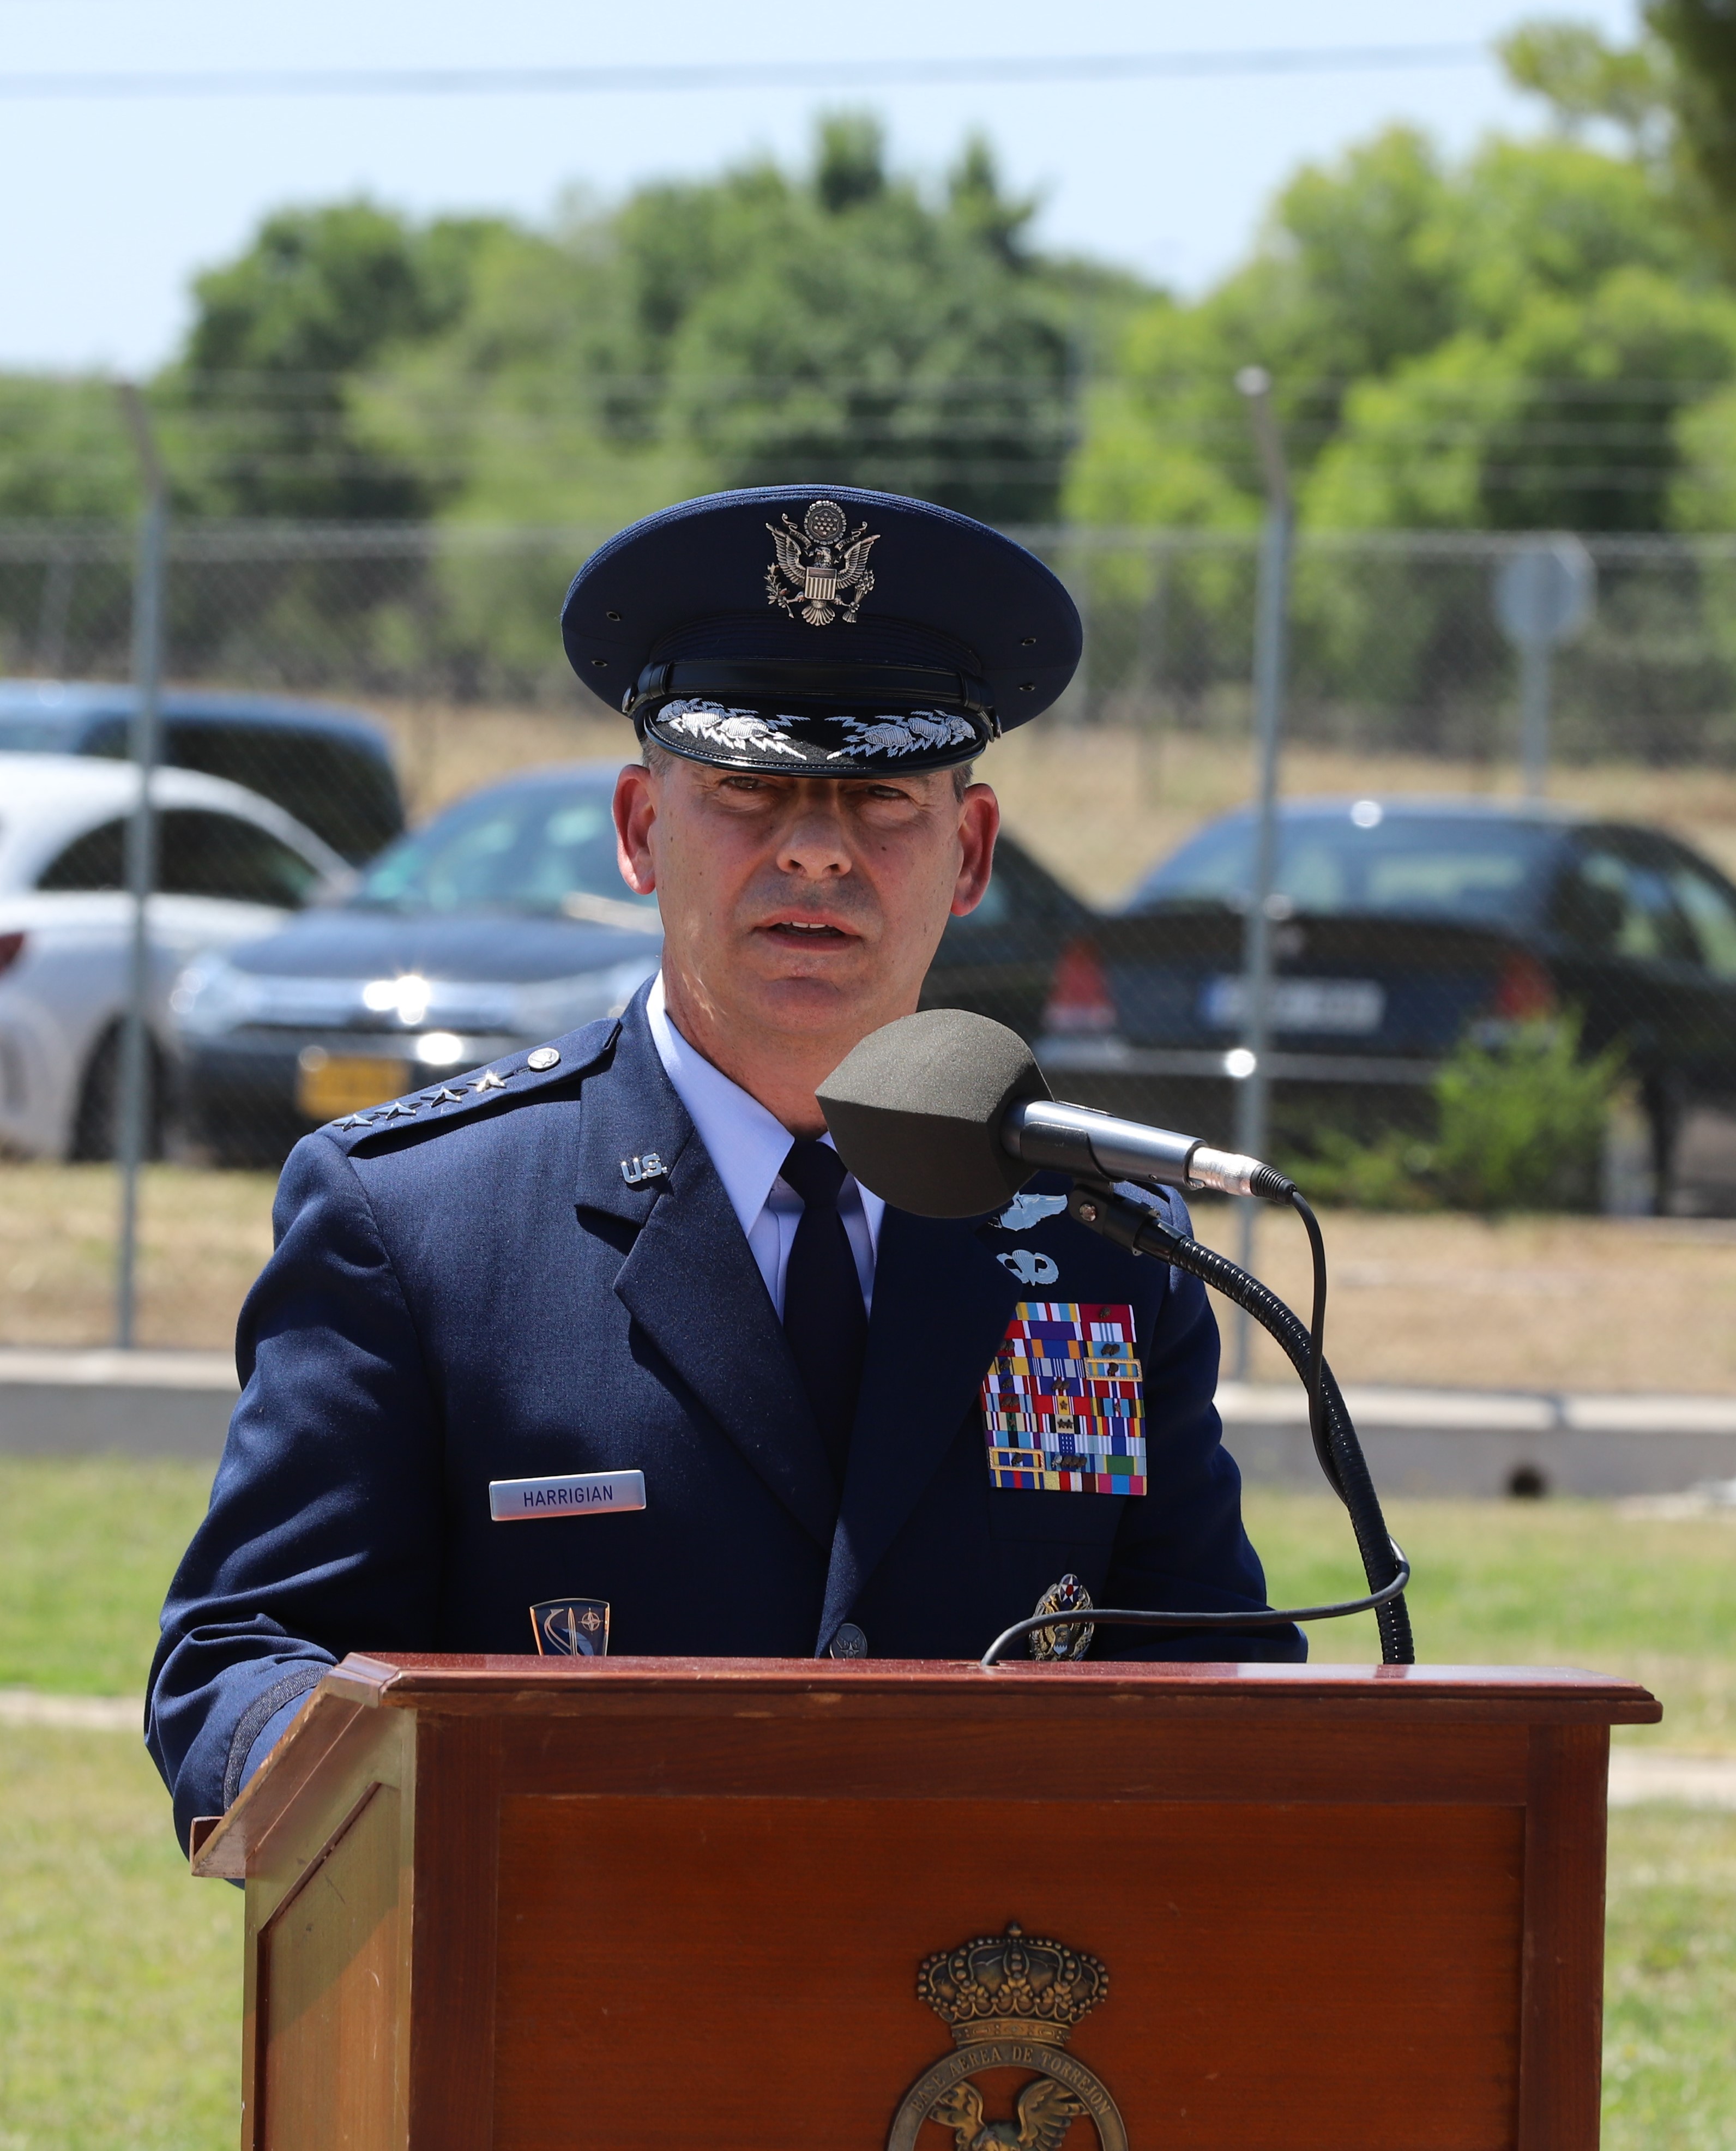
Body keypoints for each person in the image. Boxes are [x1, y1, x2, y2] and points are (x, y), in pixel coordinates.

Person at [147, 485, 1301, 1852]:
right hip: (561, 2001)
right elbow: (246, 1657)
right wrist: (372, 1782)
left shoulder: (1106, 1243)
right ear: (641, 829)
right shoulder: (418, 1224)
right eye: (748, 791)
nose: (814, 847)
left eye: (881, 797)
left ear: (970, 851)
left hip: (990, 2029)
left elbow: (1211, 1678)